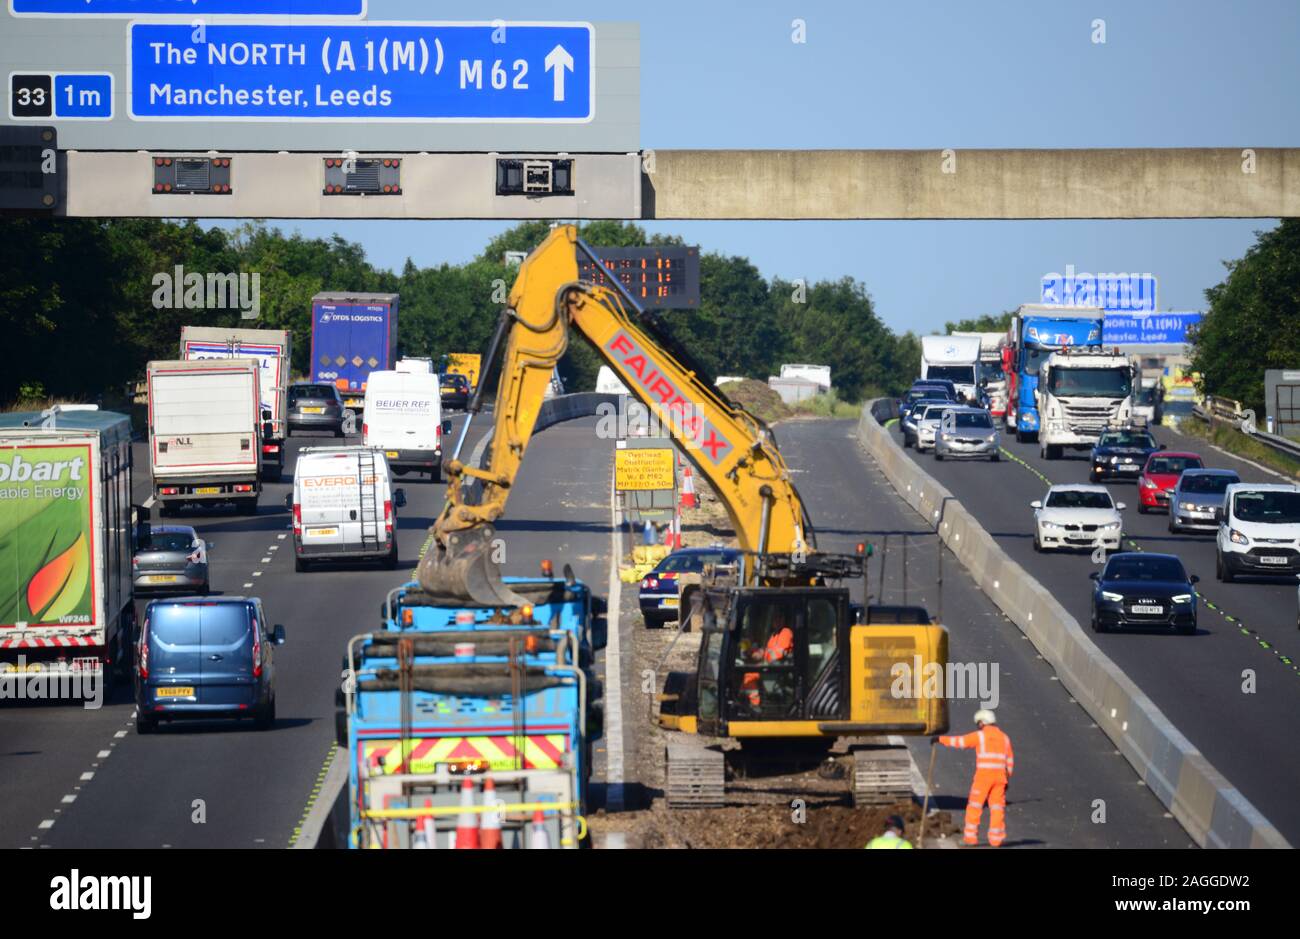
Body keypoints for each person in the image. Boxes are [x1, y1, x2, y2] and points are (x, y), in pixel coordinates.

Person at [932, 709, 1014, 847]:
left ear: (982, 722)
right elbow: (1010, 760)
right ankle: (996, 839)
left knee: (975, 806)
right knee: (997, 808)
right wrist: (1007, 778)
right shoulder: (1004, 738)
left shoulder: (980, 736)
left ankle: (970, 838)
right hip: (1000, 778)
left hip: (983, 777)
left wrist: (940, 739)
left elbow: (961, 741)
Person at [740, 612, 794, 710]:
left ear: (783, 620)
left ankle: (754, 705)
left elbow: (778, 655)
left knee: (750, 675)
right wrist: (757, 653)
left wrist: (763, 661)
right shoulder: (774, 634)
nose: (776, 621)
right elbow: (768, 650)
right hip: (770, 666)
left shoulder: (786, 632)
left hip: (778, 669)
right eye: (775, 619)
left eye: (779, 618)